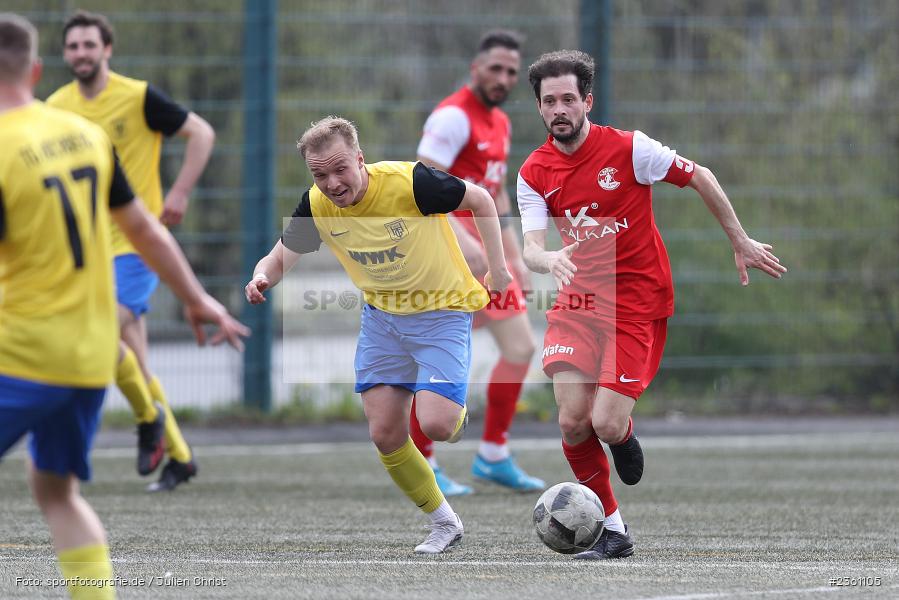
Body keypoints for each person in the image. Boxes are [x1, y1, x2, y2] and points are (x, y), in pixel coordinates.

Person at [0, 13, 249, 599]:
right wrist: (197, 299)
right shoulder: (82, 135)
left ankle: (154, 426)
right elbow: (146, 229)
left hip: (24, 352)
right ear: (36, 71)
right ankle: (156, 429)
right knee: (57, 494)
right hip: (90, 358)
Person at [517, 50, 787, 560]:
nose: (559, 109)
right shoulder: (533, 171)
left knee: (605, 424)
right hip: (577, 301)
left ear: (587, 102)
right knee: (572, 421)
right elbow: (531, 248)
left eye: (568, 99)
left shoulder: (630, 149)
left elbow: (700, 175)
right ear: (539, 107)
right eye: (549, 101)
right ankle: (613, 531)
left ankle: (622, 436)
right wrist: (547, 257)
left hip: (635, 303)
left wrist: (740, 239)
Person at [245, 116, 511, 554]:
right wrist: (261, 278)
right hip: (383, 321)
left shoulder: (411, 184)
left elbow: (481, 199)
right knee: (385, 433)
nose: (332, 183)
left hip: (442, 312)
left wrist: (498, 269)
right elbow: (278, 258)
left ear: (360, 160)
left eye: (340, 169)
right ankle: (445, 524)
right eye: (320, 175)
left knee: (437, 424)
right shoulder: (317, 204)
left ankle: (456, 414)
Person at [47, 10, 217, 491]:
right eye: (73, 46)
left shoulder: (138, 97)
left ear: (107, 49)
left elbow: (202, 133)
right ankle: (179, 456)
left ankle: (145, 421)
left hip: (136, 244)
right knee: (134, 362)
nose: (81, 53)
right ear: (64, 54)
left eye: (89, 44)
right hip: (86, 249)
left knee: (99, 330)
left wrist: (179, 192)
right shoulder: (56, 106)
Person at [415, 30, 543, 496]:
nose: (503, 78)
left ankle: (492, 454)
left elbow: (496, 192)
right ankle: (422, 463)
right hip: (448, 258)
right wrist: (465, 246)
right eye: (495, 69)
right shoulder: (453, 117)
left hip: (485, 259)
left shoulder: (500, 122)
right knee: (438, 358)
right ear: (476, 68)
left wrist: (512, 252)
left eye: (511, 72)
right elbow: (421, 186)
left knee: (520, 348)